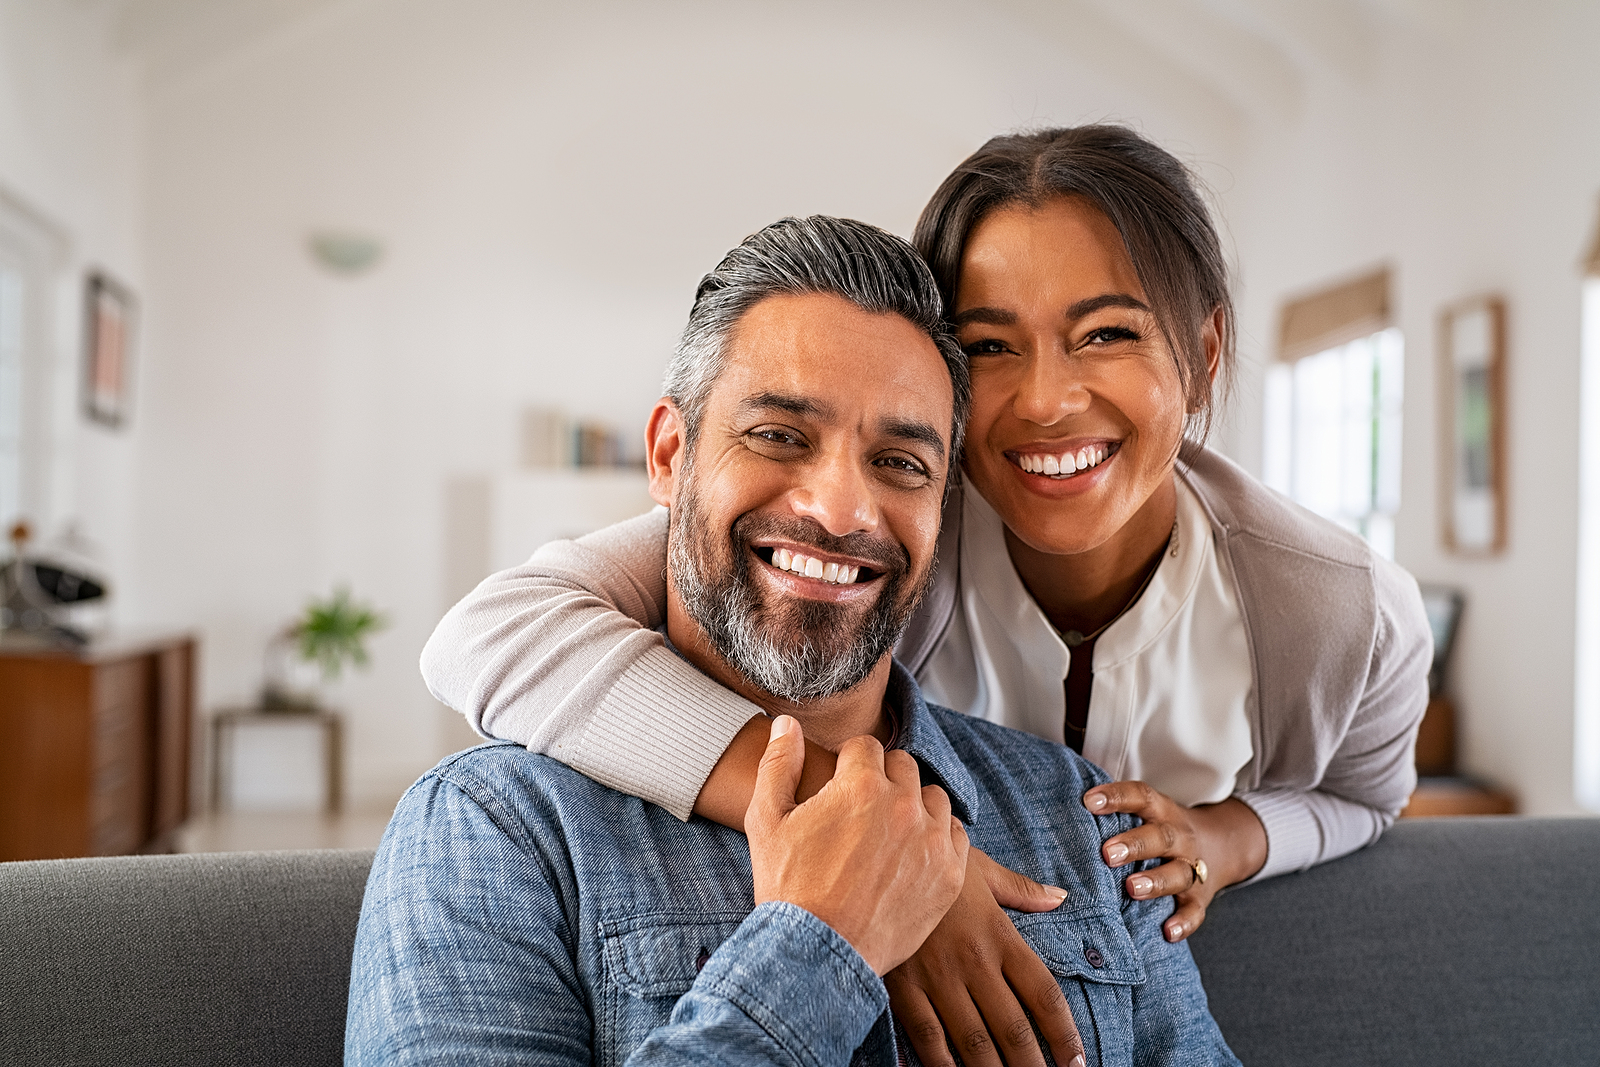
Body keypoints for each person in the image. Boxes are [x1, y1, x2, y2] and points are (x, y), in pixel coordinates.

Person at [422, 126, 1431, 1066]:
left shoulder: (1316, 617)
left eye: (1107, 332)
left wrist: (1224, 836)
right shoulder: (504, 829)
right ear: (670, 454)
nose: (1044, 401)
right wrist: (867, 864)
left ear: (1202, 354)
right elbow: (493, 632)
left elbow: (1363, 797)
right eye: (990, 345)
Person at [348, 216, 1240, 1066]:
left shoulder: (1080, 818)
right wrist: (818, 944)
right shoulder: (496, 831)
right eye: (778, 436)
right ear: (669, 456)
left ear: (941, 508)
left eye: (900, 463)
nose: (840, 510)